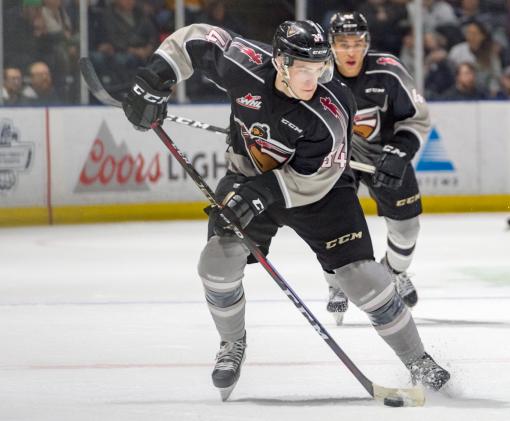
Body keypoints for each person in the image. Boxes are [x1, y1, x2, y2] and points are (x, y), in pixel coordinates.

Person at [121, 20, 450, 400]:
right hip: (249, 176)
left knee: (365, 281)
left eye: (319, 68)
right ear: (279, 61)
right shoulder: (243, 64)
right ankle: (232, 343)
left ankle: (418, 359)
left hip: (320, 194)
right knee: (215, 264)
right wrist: (154, 79)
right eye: (303, 69)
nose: (312, 79)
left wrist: (258, 194)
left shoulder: (331, 107)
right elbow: (195, 38)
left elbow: (315, 178)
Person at [323, 12, 429, 326]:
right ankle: (336, 284)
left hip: (384, 156)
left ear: (367, 43)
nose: (351, 51)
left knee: (408, 230)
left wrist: (399, 151)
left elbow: (417, 118)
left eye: (357, 43)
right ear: (331, 45)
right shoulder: (317, 73)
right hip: (337, 161)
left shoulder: (388, 71)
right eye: (343, 44)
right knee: (331, 224)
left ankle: (393, 274)